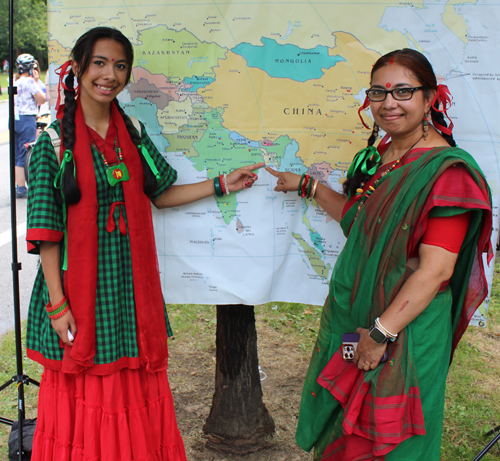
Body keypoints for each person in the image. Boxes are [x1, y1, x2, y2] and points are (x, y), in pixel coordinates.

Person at [26, 26, 264, 460]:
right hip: (79, 294)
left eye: (120, 66)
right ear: (77, 68)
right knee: (90, 384)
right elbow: (47, 234)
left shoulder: (131, 131)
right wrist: (57, 305)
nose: (109, 75)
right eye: (99, 63)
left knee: (131, 385)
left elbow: (161, 193)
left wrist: (220, 185)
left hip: (129, 291)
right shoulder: (53, 143)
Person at [266, 49, 492, 460]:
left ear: (430, 99)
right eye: (378, 93)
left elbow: (436, 271)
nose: (389, 103)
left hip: (404, 329)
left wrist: (378, 335)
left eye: (404, 91)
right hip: (358, 317)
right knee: (346, 422)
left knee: (391, 440)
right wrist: (308, 186)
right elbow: (359, 222)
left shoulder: (447, 174)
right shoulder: (381, 156)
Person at [14, 53, 46, 198]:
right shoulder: (30, 82)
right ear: (31, 68)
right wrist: (37, 80)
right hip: (27, 118)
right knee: (25, 152)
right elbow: (42, 99)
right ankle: (22, 188)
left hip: (14, 118)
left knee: (16, 154)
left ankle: (18, 185)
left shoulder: (13, 81)